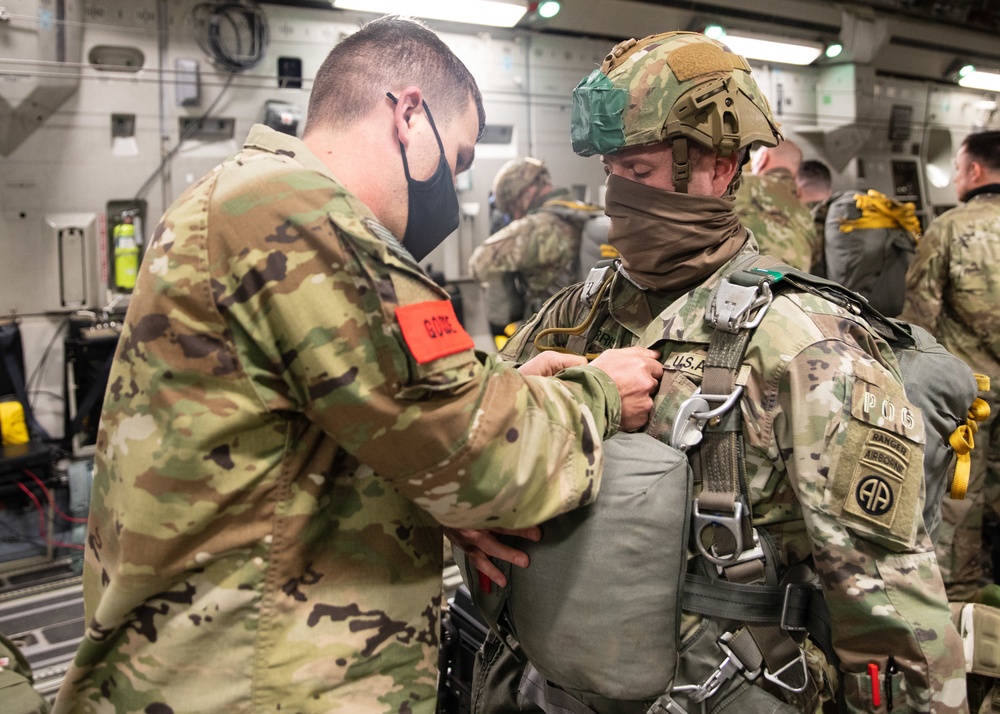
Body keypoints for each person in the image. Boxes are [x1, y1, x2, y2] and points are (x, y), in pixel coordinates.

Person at [51, 16, 664, 714]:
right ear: (408, 114)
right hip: (249, 683)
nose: (457, 190)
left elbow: (329, 429)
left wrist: (486, 409)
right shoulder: (298, 216)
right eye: (459, 160)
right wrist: (600, 392)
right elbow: (488, 460)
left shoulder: (243, 196)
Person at [458, 30, 967, 714]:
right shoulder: (573, 317)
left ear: (722, 168)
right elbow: (461, 449)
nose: (617, 195)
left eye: (637, 173)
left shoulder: (805, 346)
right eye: (611, 171)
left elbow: (893, 608)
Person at [901, 130, 1000, 603]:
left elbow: (919, 324)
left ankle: (960, 600)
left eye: (958, 169)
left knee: (962, 497)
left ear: (974, 172)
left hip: (973, 395)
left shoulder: (948, 229)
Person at [469, 157, 610, 334]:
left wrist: (507, 315)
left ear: (526, 192)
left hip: (551, 335)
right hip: (596, 329)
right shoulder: (587, 212)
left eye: (513, 207)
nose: (516, 216)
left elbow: (479, 264)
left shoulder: (535, 228)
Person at [735, 137, 820, 272]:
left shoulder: (743, 185)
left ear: (763, 159)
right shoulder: (807, 216)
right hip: (793, 290)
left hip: (743, 286)